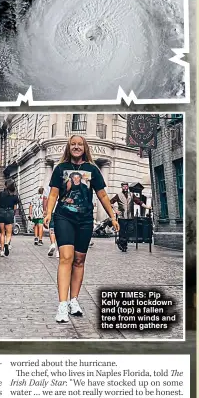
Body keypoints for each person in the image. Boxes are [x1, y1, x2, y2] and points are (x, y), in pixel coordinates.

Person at [44, 135, 119, 324]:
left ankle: (73, 300)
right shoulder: (60, 169)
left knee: (79, 260)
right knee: (66, 258)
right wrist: (48, 213)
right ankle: (62, 305)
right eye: (73, 144)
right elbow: (53, 194)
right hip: (64, 217)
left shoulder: (92, 169)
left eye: (80, 145)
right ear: (68, 148)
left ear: (85, 148)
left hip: (85, 219)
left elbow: (102, 194)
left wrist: (112, 215)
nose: (76, 147)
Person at [0, 179, 20, 256]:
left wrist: (0, 208)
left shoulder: (0, 194)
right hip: (10, 213)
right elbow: (15, 208)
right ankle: (6, 244)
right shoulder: (15, 196)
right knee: (9, 233)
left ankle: (2, 251)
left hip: (1, 212)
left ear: (6, 186)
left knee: (2, 233)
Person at [111, 182, 133, 252]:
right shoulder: (118, 195)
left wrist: (147, 207)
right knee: (122, 232)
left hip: (130, 216)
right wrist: (116, 210)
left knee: (130, 230)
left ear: (128, 187)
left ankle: (120, 241)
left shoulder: (131, 195)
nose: (125, 188)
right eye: (124, 186)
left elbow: (139, 202)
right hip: (122, 217)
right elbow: (110, 202)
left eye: (126, 186)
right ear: (122, 187)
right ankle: (124, 246)